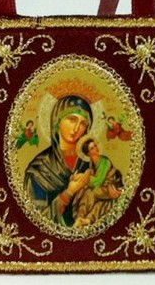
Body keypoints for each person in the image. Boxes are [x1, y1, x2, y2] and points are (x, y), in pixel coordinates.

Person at [24, 95, 93, 227]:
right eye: (72, 119)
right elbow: (35, 220)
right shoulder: (39, 169)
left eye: (83, 123)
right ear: (57, 121)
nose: (76, 128)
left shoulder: (90, 163)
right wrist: (69, 193)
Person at [72, 136, 123, 227]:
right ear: (88, 153)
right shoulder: (92, 164)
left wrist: (84, 178)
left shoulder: (104, 162)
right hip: (102, 189)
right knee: (88, 194)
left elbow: (98, 181)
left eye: (95, 145)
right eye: (92, 148)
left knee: (90, 193)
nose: (96, 148)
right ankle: (82, 218)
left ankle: (80, 216)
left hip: (110, 187)